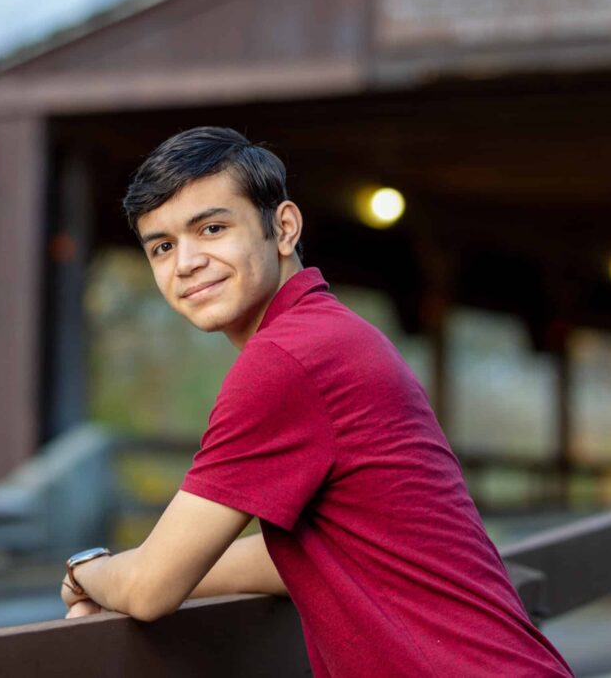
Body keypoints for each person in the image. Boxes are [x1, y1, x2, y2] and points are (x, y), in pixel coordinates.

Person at [60, 126, 573, 677]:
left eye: (211, 228)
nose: (185, 262)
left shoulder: (287, 361)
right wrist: (139, 566)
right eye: (162, 246)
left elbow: (148, 591)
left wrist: (86, 572)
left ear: (283, 227)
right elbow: (296, 559)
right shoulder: (334, 336)